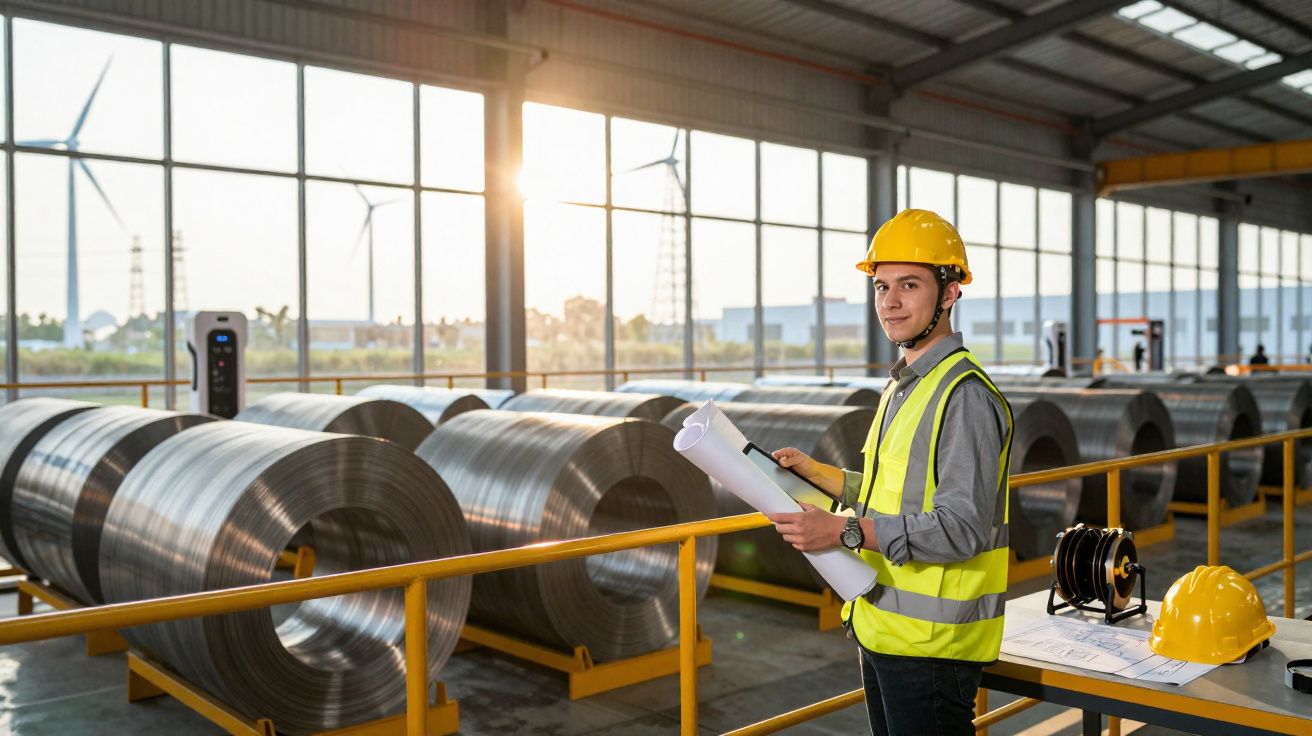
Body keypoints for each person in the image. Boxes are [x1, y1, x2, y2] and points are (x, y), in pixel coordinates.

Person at [767, 209, 1013, 736]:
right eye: (881, 286)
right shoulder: (907, 383)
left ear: (949, 294)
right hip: (884, 629)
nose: (890, 302)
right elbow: (891, 493)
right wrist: (819, 474)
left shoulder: (962, 395)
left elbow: (960, 528)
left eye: (909, 284)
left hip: (932, 649)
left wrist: (841, 530)